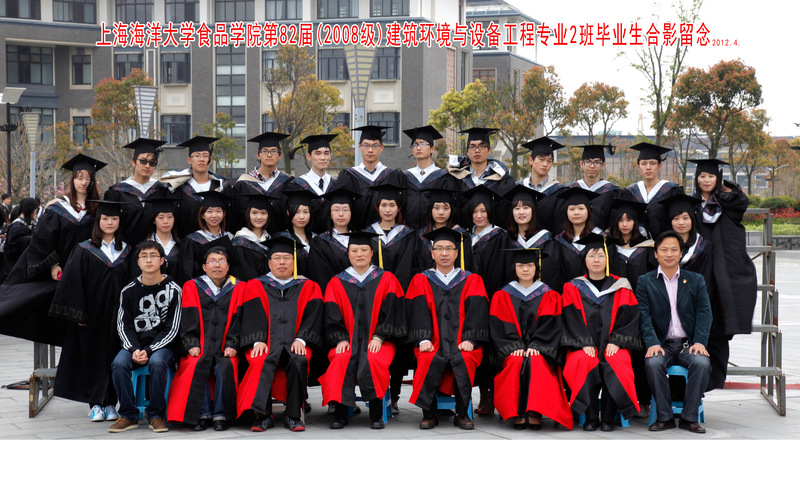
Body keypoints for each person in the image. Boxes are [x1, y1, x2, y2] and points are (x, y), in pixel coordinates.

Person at [0, 155, 105, 346]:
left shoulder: (98, 209)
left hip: (88, 270)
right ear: (72, 180)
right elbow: (42, 239)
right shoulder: (58, 208)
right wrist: (53, 264)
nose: (83, 182)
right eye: (79, 177)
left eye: (88, 178)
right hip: (62, 271)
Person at [49, 200, 132, 422]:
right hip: (92, 315)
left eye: (114, 218)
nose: (109, 222)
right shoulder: (84, 248)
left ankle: (111, 403)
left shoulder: (126, 250)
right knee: (93, 357)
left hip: (118, 316)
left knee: (114, 356)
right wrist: (79, 313)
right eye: (105, 218)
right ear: (98, 221)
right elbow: (73, 283)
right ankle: (95, 404)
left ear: (119, 221)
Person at [236, 236, 324, 432]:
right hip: (266, 342)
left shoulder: (309, 286)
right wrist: (257, 340)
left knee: (299, 359)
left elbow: (314, 315)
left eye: (286, 258)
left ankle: (293, 416)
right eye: (277, 258)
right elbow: (251, 315)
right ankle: (263, 415)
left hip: (296, 342)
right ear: (269, 262)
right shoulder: (255, 285)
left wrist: (302, 338)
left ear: (294, 261)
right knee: (260, 359)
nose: (282, 262)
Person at [319, 232, 406, 429]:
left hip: (379, 341)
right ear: (348, 254)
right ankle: (340, 414)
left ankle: (376, 414)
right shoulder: (337, 282)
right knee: (341, 359)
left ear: (372, 253)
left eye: (364, 250)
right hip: (347, 340)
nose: (359, 254)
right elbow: (331, 315)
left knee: (373, 359)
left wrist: (379, 336)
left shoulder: (387, 279)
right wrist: (340, 339)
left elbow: (393, 312)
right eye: (354, 251)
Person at [406, 228, 490, 430]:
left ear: (456, 253)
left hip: (462, 341)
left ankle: (462, 414)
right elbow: (417, 311)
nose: (444, 253)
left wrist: (470, 339)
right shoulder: (421, 280)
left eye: (449, 249)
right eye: (439, 249)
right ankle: (429, 414)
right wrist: (423, 339)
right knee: (427, 358)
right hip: (432, 342)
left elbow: (477, 312)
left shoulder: (471, 280)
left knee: (465, 358)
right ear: (432, 253)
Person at [560, 233, 642, 432]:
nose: (596, 260)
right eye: (591, 256)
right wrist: (584, 342)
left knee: (617, 360)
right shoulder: (572, 287)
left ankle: (607, 417)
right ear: (584, 260)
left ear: (607, 259)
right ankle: (590, 417)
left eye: (600, 256)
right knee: (584, 360)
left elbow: (630, 318)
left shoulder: (622, 286)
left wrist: (617, 341)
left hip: (613, 344)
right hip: (583, 345)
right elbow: (570, 318)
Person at [689, 158, 756, 391]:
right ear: (696, 179)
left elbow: (742, 201)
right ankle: (696, 380)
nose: (706, 180)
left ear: (718, 179)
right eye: (702, 176)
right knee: (697, 323)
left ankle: (713, 379)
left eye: (711, 176)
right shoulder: (691, 205)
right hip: (699, 272)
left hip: (722, 274)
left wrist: (731, 188)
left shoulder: (726, 203)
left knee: (718, 325)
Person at [637, 231, 713, 434]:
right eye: (664, 250)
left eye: (674, 250)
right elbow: (643, 315)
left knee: (701, 363)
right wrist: (652, 343)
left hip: (688, 343)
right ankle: (664, 417)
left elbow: (705, 313)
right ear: (656, 254)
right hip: (662, 344)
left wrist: (700, 342)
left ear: (681, 253)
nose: (669, 254)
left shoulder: (695, 280)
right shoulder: (645, 281)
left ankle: (690, 418)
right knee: (653, 363)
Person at [490, 248, 573, 430]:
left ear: (536, 268)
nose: (525, 269)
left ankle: (535, 411)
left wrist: (537, 345)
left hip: (541, 347)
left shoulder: (549, 295)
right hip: (512, 347)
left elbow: (551, 325)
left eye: (529, 265)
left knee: (536, 360)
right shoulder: (502, 295)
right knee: (515, 360)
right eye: (521, 265)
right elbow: (500, 325)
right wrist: (515, 345)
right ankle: (517, 412)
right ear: (514, 268)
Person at [167, 244, 246, 432]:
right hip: (200, 345)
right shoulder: (192, 286)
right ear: (204, 267)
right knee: (195, 363)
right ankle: (201, 414)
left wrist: (233, 344)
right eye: (212, 261)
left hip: (225, 346)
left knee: (225, 366)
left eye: (221, 261)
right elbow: (187, 318)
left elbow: (241, 320)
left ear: (228, 266)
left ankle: (221, 414)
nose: (217, 265)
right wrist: (191, 343)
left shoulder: (239, 287)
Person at [109, 240, 182, 433]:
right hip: (135, 345)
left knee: (157, 363)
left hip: (164, 346)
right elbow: (124, 325)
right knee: (118, 364)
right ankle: (128, 414)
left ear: (162, 260)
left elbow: (172, 329)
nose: (149, 260)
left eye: (153, 256)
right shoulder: (128, 291)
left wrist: (149, 350)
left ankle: (155, 415)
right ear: (138, 262)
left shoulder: (174, 289)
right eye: (144, 256)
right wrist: (134, 349)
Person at [333, 125, 407, 230]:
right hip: (356, 235)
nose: (370, 150)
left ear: (382, 147)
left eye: (375, 145)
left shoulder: (394, 175)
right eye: (366, 145)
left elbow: (403, 208)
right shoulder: (348, 176)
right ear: (359, 147)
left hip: (388, 236)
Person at [104, 138, 171, 245]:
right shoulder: (118, 191)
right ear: (133, 162)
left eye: (152, 163)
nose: (147, 166)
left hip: (154, 250)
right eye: (143, 161)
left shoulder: (162, 190)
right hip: (124, 248)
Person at [160, 135, 229, 238]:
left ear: (210, 160)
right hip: (185, 242)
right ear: (189, 160)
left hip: (216, 243)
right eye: (197, 156)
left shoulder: (222, 186)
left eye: (205, 156)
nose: (201, 159)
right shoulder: (178, 188)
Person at [228, 131, 293, 234]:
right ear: (258, 155)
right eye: (265, 151)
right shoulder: (243, 183)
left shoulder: (288, 182)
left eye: (274, 151)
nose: (269, 155)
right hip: (250, 241)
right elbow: (234, 217)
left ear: (280, 155)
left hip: (280, 240)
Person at [448, 127, 515, 224]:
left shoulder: (502, 180)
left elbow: (505, 212)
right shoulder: (456, 179)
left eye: (482, 146)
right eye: (472, 146)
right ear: (467, 151)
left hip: (494, 231)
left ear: (489, 150)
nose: (477, 150)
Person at [502, 184, 562, 290]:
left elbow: (551, 273)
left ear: (533, 211)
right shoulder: (505, 239)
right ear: (512, 212)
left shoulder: (546, 240)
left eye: (526, 208)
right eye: (517, 208)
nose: (521, 212)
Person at [402, 125, 461, 230]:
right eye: (415, 144)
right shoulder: (405, 176)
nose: (418, 147)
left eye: (423, 144)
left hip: (434, 232)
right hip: (409, 231)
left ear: (432, 149)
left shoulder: (444, 176)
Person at [365, 180, 419, 289]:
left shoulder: (409, 235)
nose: (388, 210)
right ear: (377, 207)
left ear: (398, 208)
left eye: (392, 205)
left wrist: (394, 288)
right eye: (383, 205)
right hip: (373, 289)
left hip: (401, 289)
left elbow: (408, 265)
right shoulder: (368, 234)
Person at [623, 142, 683, 238]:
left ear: (659, 166)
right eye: (644, 163)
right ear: (638, 167)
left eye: (653, 163)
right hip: (635, 245)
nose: (648, 167)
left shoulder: (672, 191)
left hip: (664, 243)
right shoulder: (630, 192)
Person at [307, 186, 360, 291]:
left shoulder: (361, 239)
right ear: (330, 214)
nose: (341, 214)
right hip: (332, 294)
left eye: (345, 210)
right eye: (336, 210)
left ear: (351, 213)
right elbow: (320, 275)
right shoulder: (319, 242)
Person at [552, 187, 604, 289]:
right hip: (568, 293)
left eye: (581, 208)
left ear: (588, 210)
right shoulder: (559, 240)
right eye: (571, 209)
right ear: (566, 212)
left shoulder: (600, 237)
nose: (576, 213)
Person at [179, 190, 234, 282]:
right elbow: (188, 272)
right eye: (209, 211)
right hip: (201, 287)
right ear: (202, 215)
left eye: (218, 211)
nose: (214, 215)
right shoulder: (192, 241)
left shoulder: (231, 239)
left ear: (224, 214)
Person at [519, 136, 567, 232]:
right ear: (531, 160)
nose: (545, 164)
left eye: (549, 161)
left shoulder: (559, 192)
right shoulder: (519, 188)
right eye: (541, 159)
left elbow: (560, 226)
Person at [569, 144, 622, 230]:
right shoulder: (572, 189)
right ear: (581, 164)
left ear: (603, 165)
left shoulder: (613, 192)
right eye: (588, 161)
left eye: (597, 162)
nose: (592, 166)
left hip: (602, 237)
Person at [292, 134, 338, 233]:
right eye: (318, 153)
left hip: (332, 238)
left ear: (330, 156)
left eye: (326, 153)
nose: (323, 157)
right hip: (307, 238)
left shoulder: (336, 184)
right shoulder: (298, 185)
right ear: (309, 156)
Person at [136, 197, 182, 281]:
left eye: (170, 217)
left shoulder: (182, 246)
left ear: (174, 220)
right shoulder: (142, 247)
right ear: (154, 220)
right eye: (161, 217)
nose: (166, 221)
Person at [278, 184, 319, 279]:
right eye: (296, 212)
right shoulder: (283, 239)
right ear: (288, 213)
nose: (301, 217)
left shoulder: (317, 239)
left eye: (306, 212)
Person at [230, 193, 273, 282]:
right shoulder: (240, 243)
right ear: (248, 214)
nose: (259, 217)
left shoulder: (270, 239)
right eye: (254, 213)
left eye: (263, 213)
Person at [0, 197, 39, 283]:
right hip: (13, 271)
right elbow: (14, 250)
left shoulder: (25, 226)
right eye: (35, 210)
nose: (35, 212)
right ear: (30, 210)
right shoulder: (17, 228)